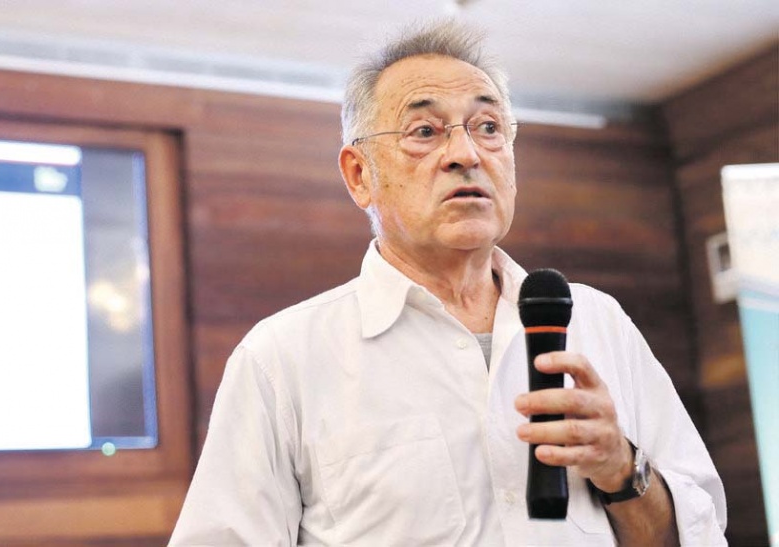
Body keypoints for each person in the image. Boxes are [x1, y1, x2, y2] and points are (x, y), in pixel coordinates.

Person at [169, 19, 726, 546]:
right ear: (360, 175)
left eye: (488, 128)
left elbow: (700, 533)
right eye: (424, 131)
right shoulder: (282, 359)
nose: (465, 154)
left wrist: (622, 469)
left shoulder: (597, 323)